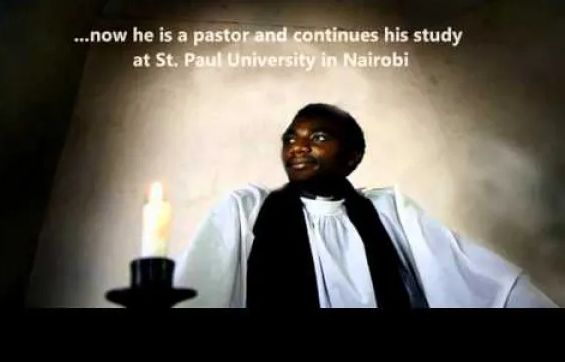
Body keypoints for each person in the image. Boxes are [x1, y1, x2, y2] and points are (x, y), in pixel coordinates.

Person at [173, 103, 559, 308]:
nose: (298, 147)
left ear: (352, 157)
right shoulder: (248, 209)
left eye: (318, 137)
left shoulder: (387, 210)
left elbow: (465, 270)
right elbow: (197, 293)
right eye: (290, 138)